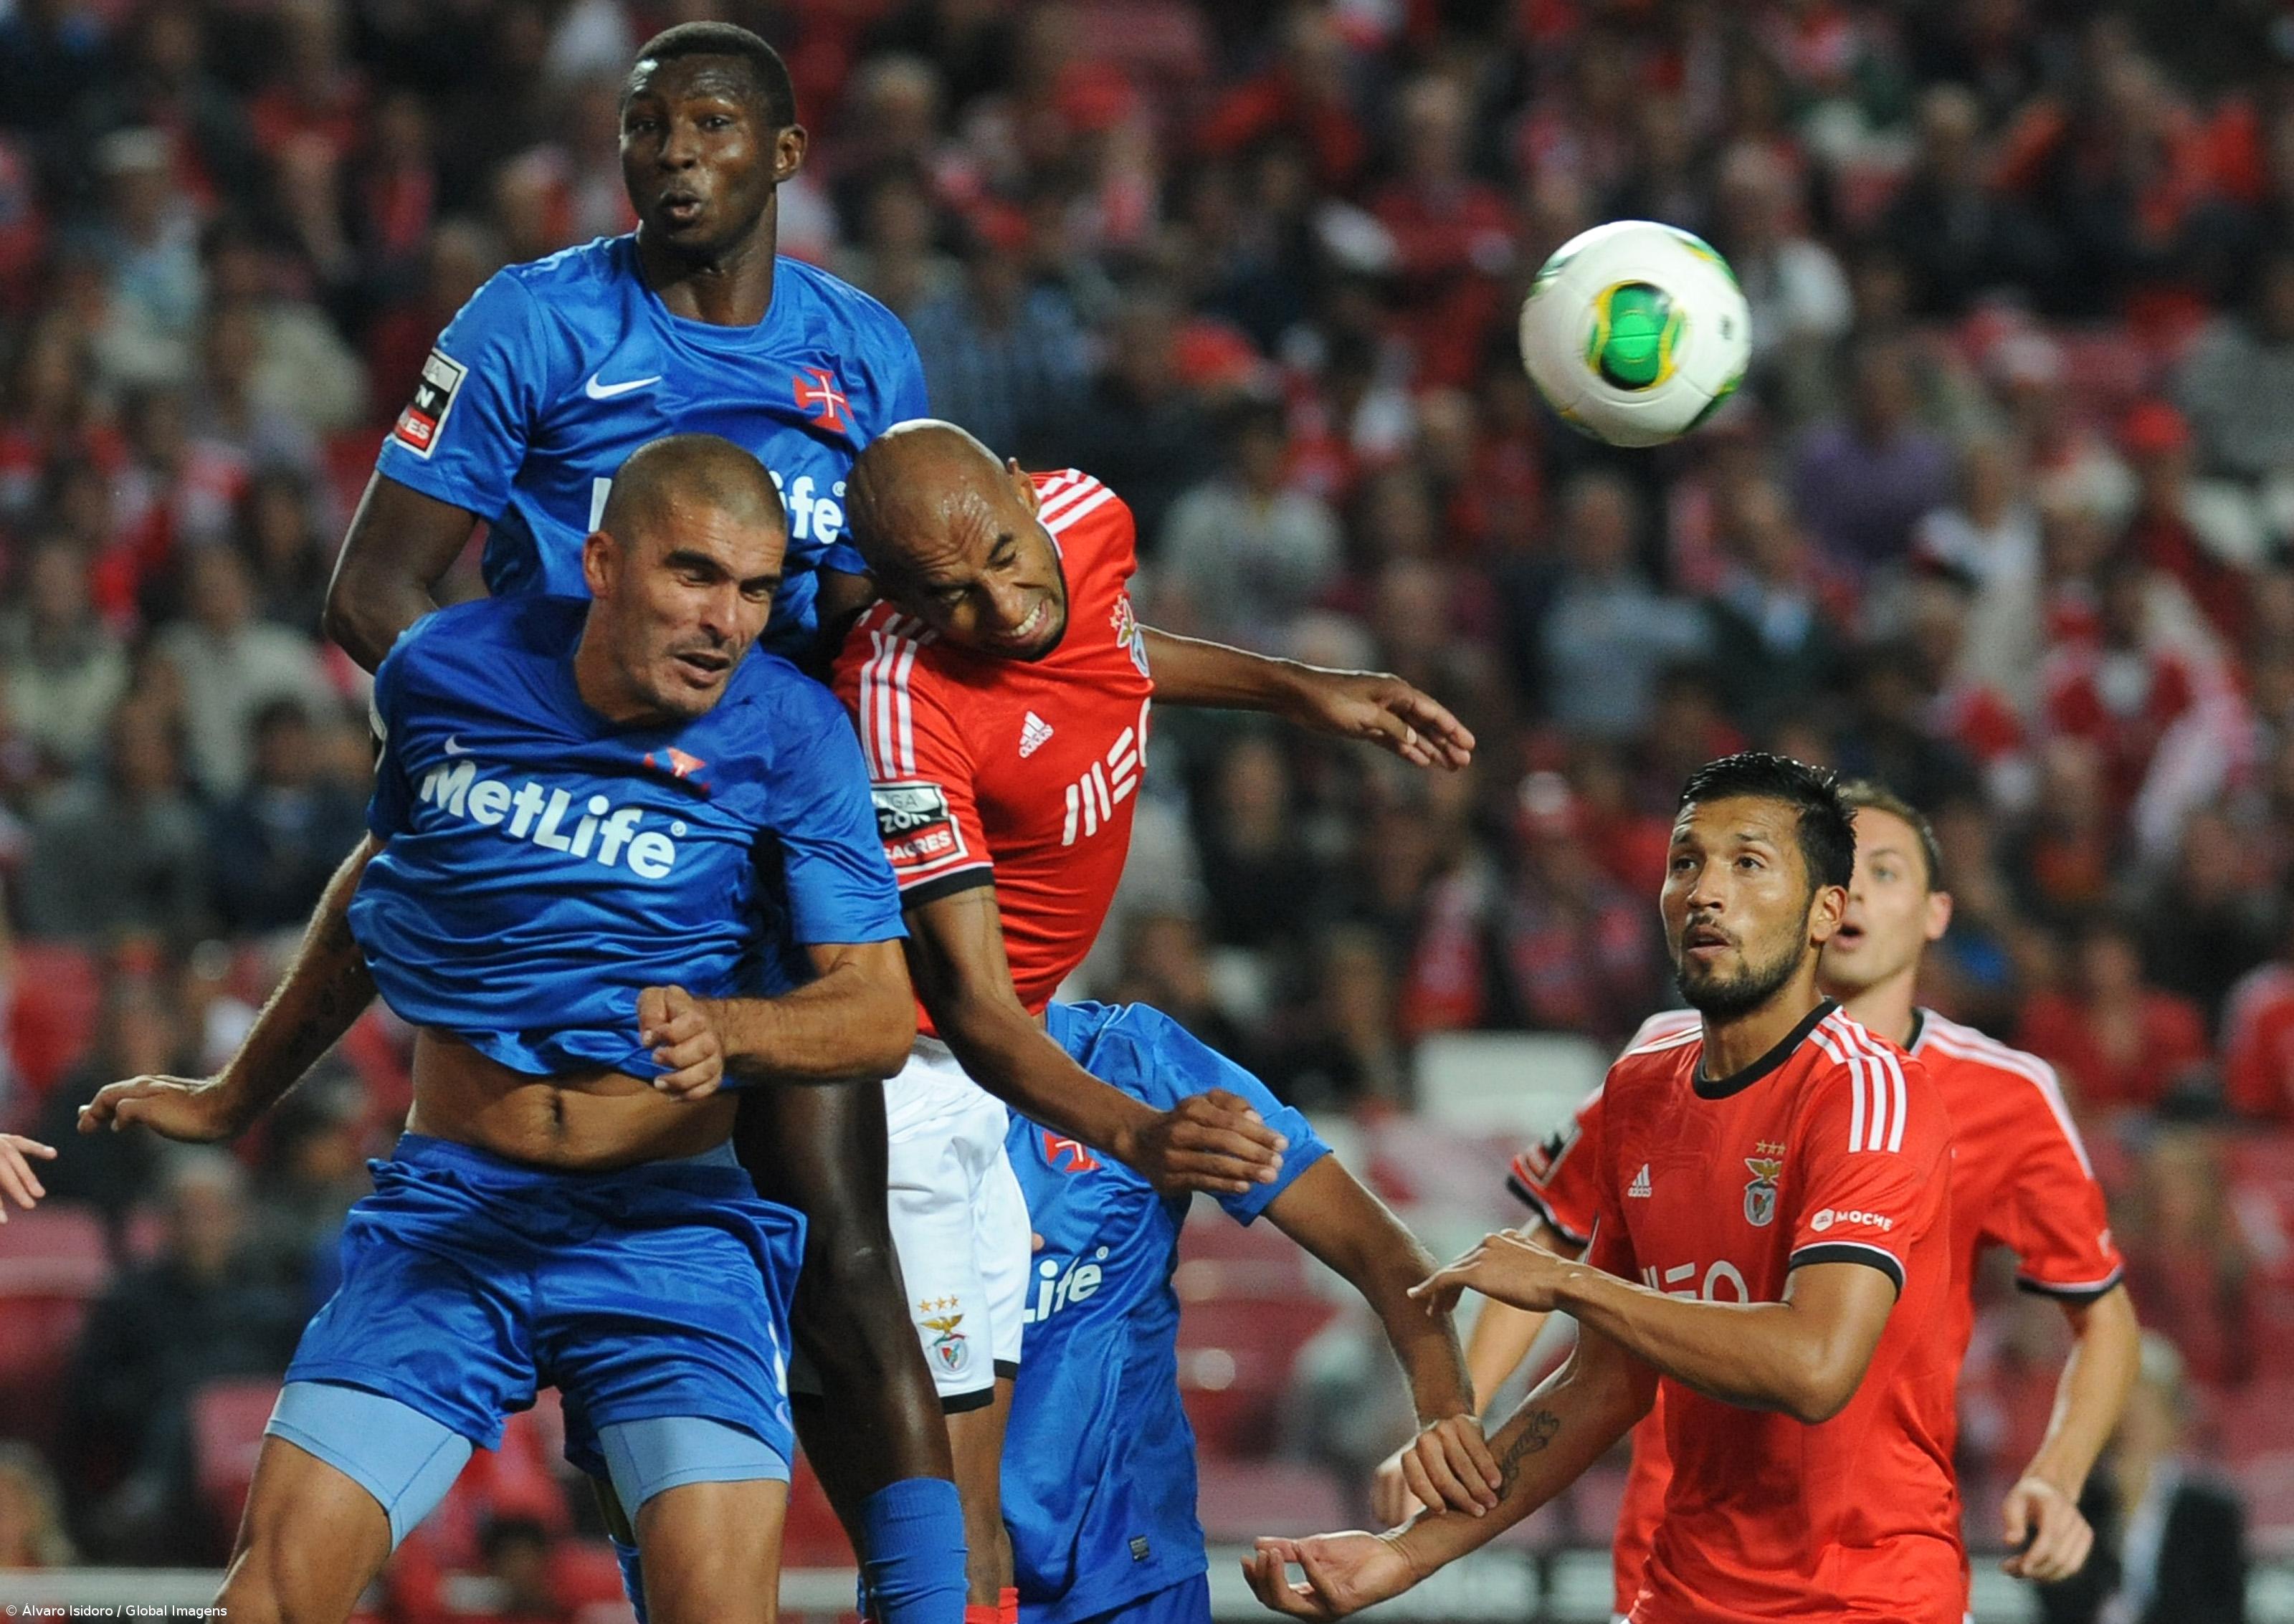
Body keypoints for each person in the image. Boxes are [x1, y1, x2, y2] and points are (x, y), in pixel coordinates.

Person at [315, 24, 967, 1618]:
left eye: (714, 128)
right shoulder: (533, 322)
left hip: (775, 841)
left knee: (846, 1248)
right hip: (574, 853)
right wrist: (528, 770)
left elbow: (899, 610)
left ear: (785, 158)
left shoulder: (864, 355)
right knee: (588, 1210)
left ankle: (938, 1607)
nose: (674, 155)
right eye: (645, 126)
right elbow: (373, 587)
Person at [80, 435, 916, 1624]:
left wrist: (734, 1029)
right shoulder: (440, 673)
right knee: (266, 1601)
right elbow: (383, 893)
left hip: (670, 1234)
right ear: (603, 562)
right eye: (694, 576)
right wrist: (233, 1096)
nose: (727, 620)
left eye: (753, 589)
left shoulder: (794, 733)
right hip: (455, 1215)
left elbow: (878, 1012)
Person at [826, 421, 1488, 1620]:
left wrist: (1296, 690)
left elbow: (1394, 1261)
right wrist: (1138, 1137)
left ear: (1030, 499)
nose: (1004, 605)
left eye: (1008, 558)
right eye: (952, 594)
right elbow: (976, 1012)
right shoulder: (885, 1137)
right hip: (965, 1595)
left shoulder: (1144, 1060)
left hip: (1144, 1581)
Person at [1249, 753, 1964, 1623]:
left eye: (1747, 863)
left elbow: (1814, 1367)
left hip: (1866, 1601)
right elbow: (1601, 1384)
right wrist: (1402, 1559)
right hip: (1683, 1592)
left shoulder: (1867, 1092)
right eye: (1685, 861)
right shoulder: (1639, 1090)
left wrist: (1573, 1282)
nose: (1704, 891)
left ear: (1825, 912)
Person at [1419, 780, 2140, 1619]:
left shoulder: (2000, 1091)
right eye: (1849, 865)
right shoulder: (1663, 1060)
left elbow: (2101, 1311)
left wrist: (2057, 1471)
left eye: (1887, 870)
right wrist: (1454, 1426)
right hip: (1671, 1544)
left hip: (1859, 1551)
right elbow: (1550, 1240)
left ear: (1934, 912)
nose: (1863, 891)